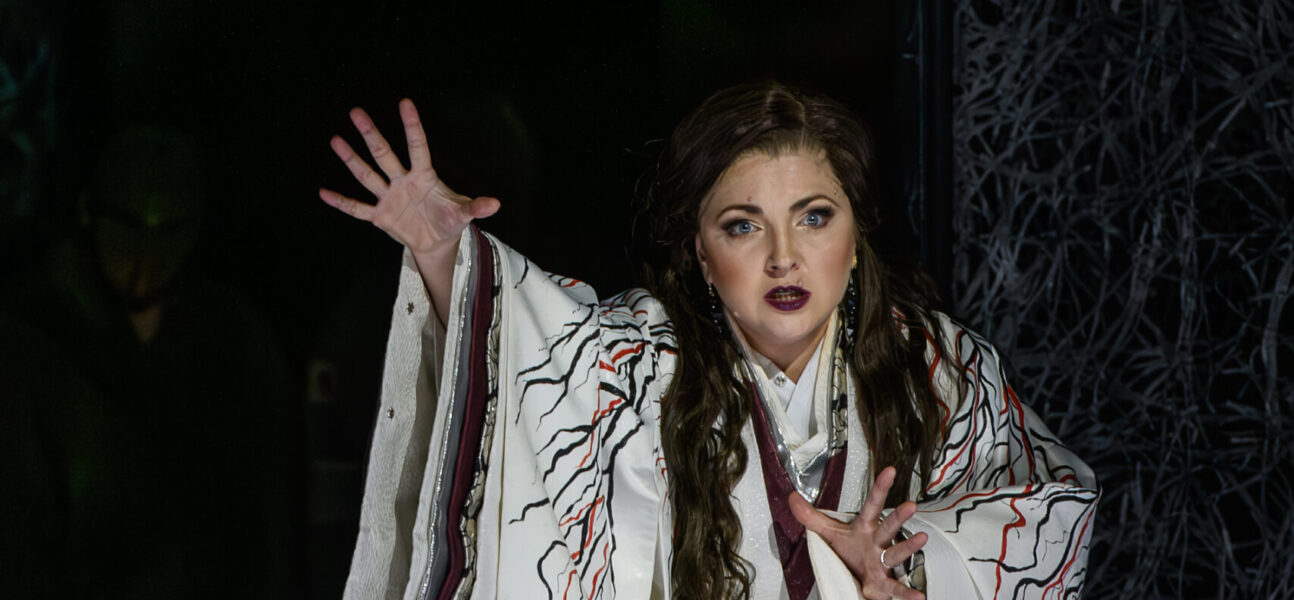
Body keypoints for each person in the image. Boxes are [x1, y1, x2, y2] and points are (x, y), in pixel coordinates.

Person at [319, 82, 1098, 600]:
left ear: (856, 235)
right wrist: (444, 255)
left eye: (815, 217)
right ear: (699, 251)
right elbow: (530, 358)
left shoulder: (938, 367)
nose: (784, 257)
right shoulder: (644, 361)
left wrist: (915, 565)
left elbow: (1046, 504)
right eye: (742, 226)